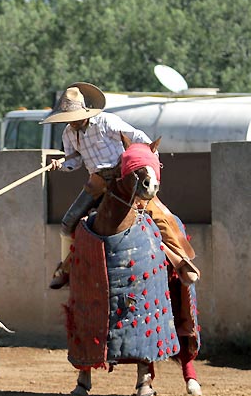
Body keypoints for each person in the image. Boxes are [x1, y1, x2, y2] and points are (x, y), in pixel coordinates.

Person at [43, 82, 200, 289]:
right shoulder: (68, 134)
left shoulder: (106, 122)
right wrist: (61, 164)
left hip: (122, 176)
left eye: (73, 118)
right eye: (68, 119)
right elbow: (75, 161)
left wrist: (146, 164)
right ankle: (65, 269)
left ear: (85, 111)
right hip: (97, 181)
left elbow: (139, 137)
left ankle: (182, 262)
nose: (71, 122)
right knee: (68, 222)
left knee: (157, 214)